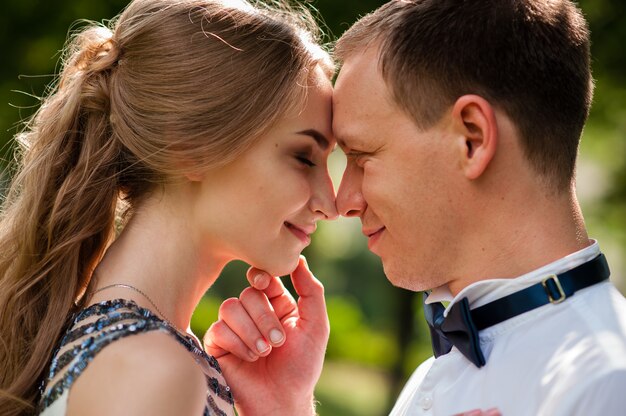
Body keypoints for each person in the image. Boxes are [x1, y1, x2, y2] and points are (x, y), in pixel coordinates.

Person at [206, 0, 626, 415]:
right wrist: (285, 407)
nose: (342, 202)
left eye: (361, 155)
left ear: (472, 139)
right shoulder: (434, 375)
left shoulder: (605, 382)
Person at [0, 0, 339, 415]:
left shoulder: (144, 349)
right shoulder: (152, 370)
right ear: (191, 147)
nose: (331, 203)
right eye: (304, 157)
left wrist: (286, 405)